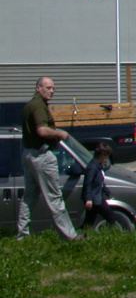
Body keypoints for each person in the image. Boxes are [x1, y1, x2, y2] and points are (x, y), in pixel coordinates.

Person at [17, 77, 81, 241]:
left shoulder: (31, 104)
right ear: (38, 88)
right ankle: (70, 236)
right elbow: (42, 131)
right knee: (55, 197)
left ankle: (22, 235)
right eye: (48, 88)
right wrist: (60, 133)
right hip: (41, 155)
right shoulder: (38, 105)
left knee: (29, 197)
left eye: (53, 88)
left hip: (29, 154)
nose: (51, 91)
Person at [82, 142, 117, 230]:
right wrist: (88, 199)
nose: (107, 159)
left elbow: (100, 183)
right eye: (106, 156)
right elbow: (88, 183)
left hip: (97, 197)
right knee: (110, 217)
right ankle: (115, 234)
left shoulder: (98, 166)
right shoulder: (92, 167)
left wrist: (108, 193)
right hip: (95, 199)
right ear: (101, 155)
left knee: (89, 222)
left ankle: (80, 236)